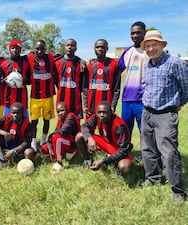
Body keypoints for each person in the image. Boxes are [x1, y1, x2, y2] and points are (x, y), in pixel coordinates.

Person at [139, 29, 188, 205]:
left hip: (166, 114)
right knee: (147, 149)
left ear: (162, 45)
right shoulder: (149, 64)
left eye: (154, 45)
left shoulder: (175, 63)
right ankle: (153, 178)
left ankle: (178, 190)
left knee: (169, 153)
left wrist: (178, 104)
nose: (151, 48)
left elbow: (186, 87)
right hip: (147, 112)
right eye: (148, 46)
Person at [75, 101, 132, 175]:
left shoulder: (119, 126)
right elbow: (84, 126)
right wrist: (89, 138)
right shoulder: (97, 116)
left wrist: (102, 161)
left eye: (104, 112)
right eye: (99, 112)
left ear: (111, 112)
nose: (101, 115)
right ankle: (88, 162)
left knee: (124, 167)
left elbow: (124, 150)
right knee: (79, 136)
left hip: (118, 149)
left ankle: (116, 169)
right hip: (106, 143)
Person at [118, 21, 147, 136]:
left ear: (144, 33)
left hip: (143, 99)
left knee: (144, 130)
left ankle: (145, 154)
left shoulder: (149, 51)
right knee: (125, 129)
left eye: (138, 33)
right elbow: (116, 70)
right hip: (127, 99)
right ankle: (125, 153)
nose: (135, 36)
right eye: (132, 33)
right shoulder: (127, 52)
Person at [27, 39, 57, 151]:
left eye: (42, 49)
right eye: (37, 49)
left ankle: (43, 141)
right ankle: (34, 142)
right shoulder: (29, 57)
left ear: (45, 49)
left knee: (46, 120)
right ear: (34, 49)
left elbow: (65, 55)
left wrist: (84, 61)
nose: (40, 51)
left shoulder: (51, 57)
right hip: (35, 97)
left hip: (48, 97)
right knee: (34, 121)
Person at [0, 102, 35, 169]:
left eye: (18, 113)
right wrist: (4, 133)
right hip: (7, 142)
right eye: (13, 113)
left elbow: (27, 142)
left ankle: (25, 166)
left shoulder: (27, 124)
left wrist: (13, 151)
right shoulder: (6, 118)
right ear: (10, 112)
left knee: (29, 152)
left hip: (20, 145)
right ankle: (2, 160)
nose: (15, 115)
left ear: (22, 113)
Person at [83, 39, 121, 119]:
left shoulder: (114, 64)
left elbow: (116, 89)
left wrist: (113, 106)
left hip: (107, 107)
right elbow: (85, 87)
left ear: (107, 48)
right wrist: (85, 105)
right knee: (88, 130)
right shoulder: (89, 65)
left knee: (106, 130)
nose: (100, 49)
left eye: (102, 47)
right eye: (97, 47)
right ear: (94, 49)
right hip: (91, 106)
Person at [40, 102, 80, 173]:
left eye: (62, 110)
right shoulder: (60, 119)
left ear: (67, 109)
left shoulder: (70, 117)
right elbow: (56, 131)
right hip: (65, 141)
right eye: (58, 112)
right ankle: (62, 153)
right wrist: (50, 146)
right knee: (44, 148)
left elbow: (62, 132)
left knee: (56, 138)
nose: (60, 113)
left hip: (73, 144)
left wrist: (51, 137)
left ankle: (59, 162)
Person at [55, 38, 87, 119]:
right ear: (64, 47)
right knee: (61, 123)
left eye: (72, 45)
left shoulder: (80, 64)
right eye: (67, 45)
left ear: (76, 48)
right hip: (61, 98)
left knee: (75, 123)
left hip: (75, 100)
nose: (69, 47)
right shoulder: (57, 63)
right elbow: (55, 80)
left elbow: (83, 83)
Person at [0, 40, 31, 118]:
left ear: (20, 50)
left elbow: (30, 80)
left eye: (17, 48)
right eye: (12, 48)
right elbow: (0, 80)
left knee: (24, 124)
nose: (15, 50)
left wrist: (23, 80)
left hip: (22, 100)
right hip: (8, 101)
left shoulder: (25, 63)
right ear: (9, 49)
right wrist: (5, 81)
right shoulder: (4, 64)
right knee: (7, 124)